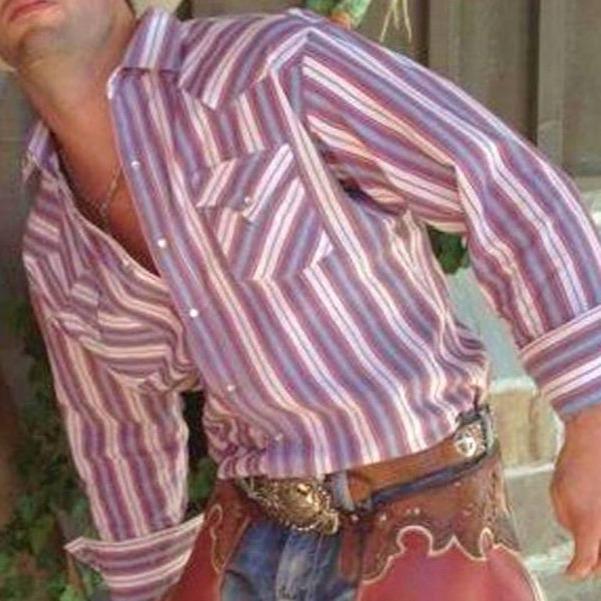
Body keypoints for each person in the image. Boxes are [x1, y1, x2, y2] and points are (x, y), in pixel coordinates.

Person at [3, 0, 601, 599]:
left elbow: (502, 182)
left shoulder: (279, 64)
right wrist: (148, 589)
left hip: (423, 518)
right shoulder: (55, 241)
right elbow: (116, 431)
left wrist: (592, 410)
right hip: (246, 536)